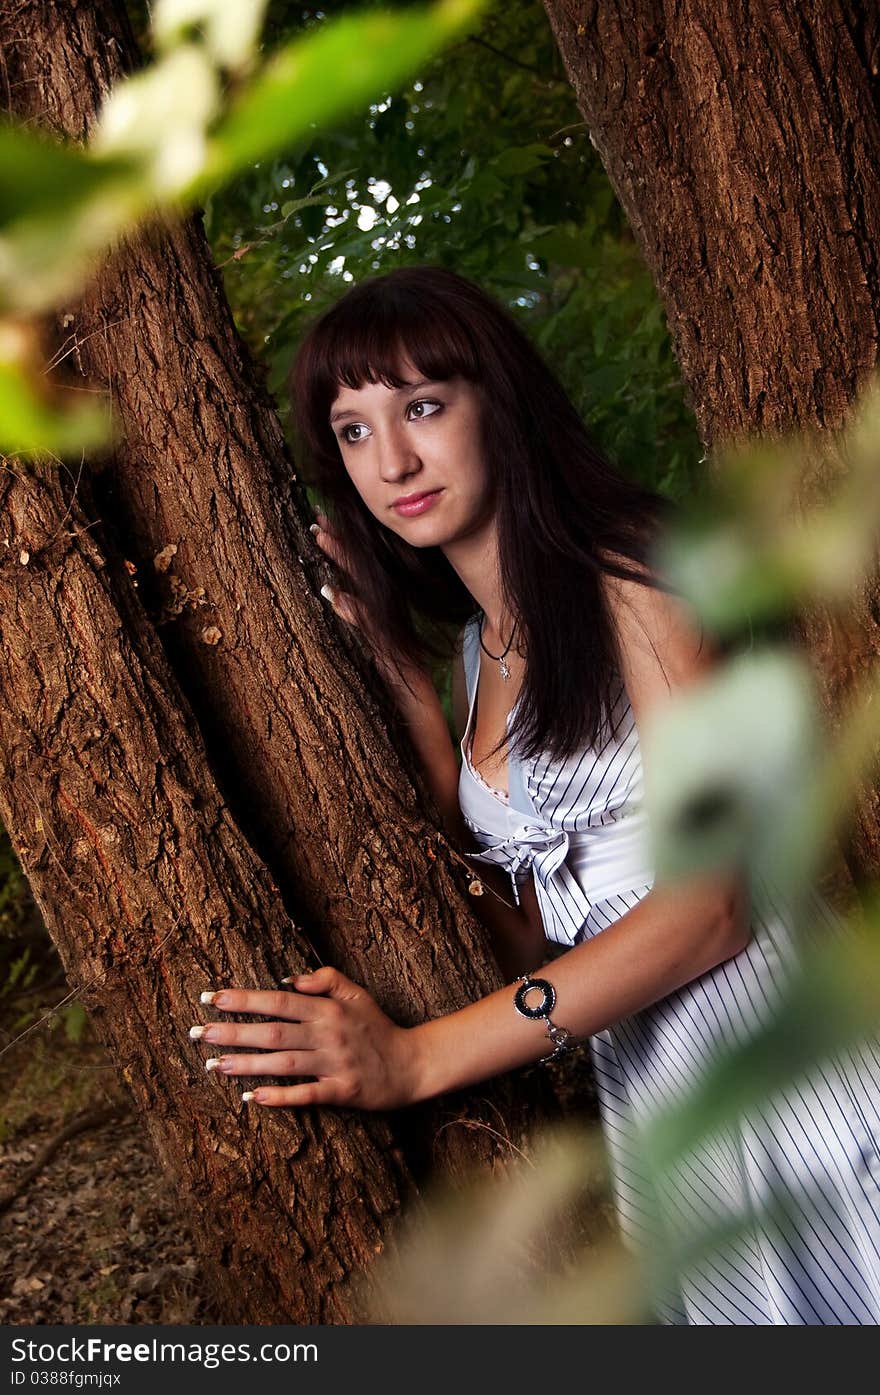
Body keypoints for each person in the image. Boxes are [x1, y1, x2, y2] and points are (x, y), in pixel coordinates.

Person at [189, 266, 880, 1324]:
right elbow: (530, 941)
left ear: (496, 403)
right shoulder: (476, 653)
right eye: (353, 431)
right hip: (660, 1103)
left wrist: (417, 1061)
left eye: (422, 407)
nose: (394, 461)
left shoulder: (637, 578)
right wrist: (425, 734)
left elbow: (712, 908)